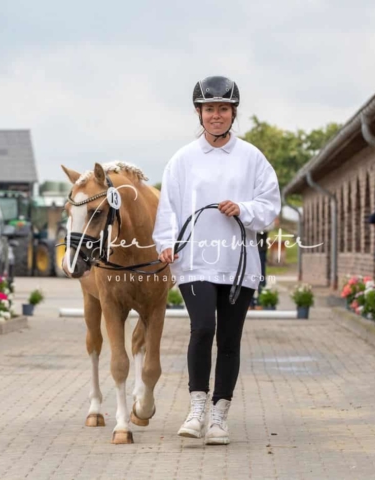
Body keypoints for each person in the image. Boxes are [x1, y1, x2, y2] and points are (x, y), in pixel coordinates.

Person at [153, 76, 281, 445]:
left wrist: (242, 208)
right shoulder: (182, 159)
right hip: (194, 261)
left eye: (223, 109)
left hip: (239, 263)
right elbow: (169, 207)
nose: (216, 115)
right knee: (203, 328)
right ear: (199, 112)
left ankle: (220, 416)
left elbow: (270, 207)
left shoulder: (252, 158)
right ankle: (196, 409)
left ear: (233, 112)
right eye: (210, 109)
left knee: (229, 339)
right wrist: (165, 242)